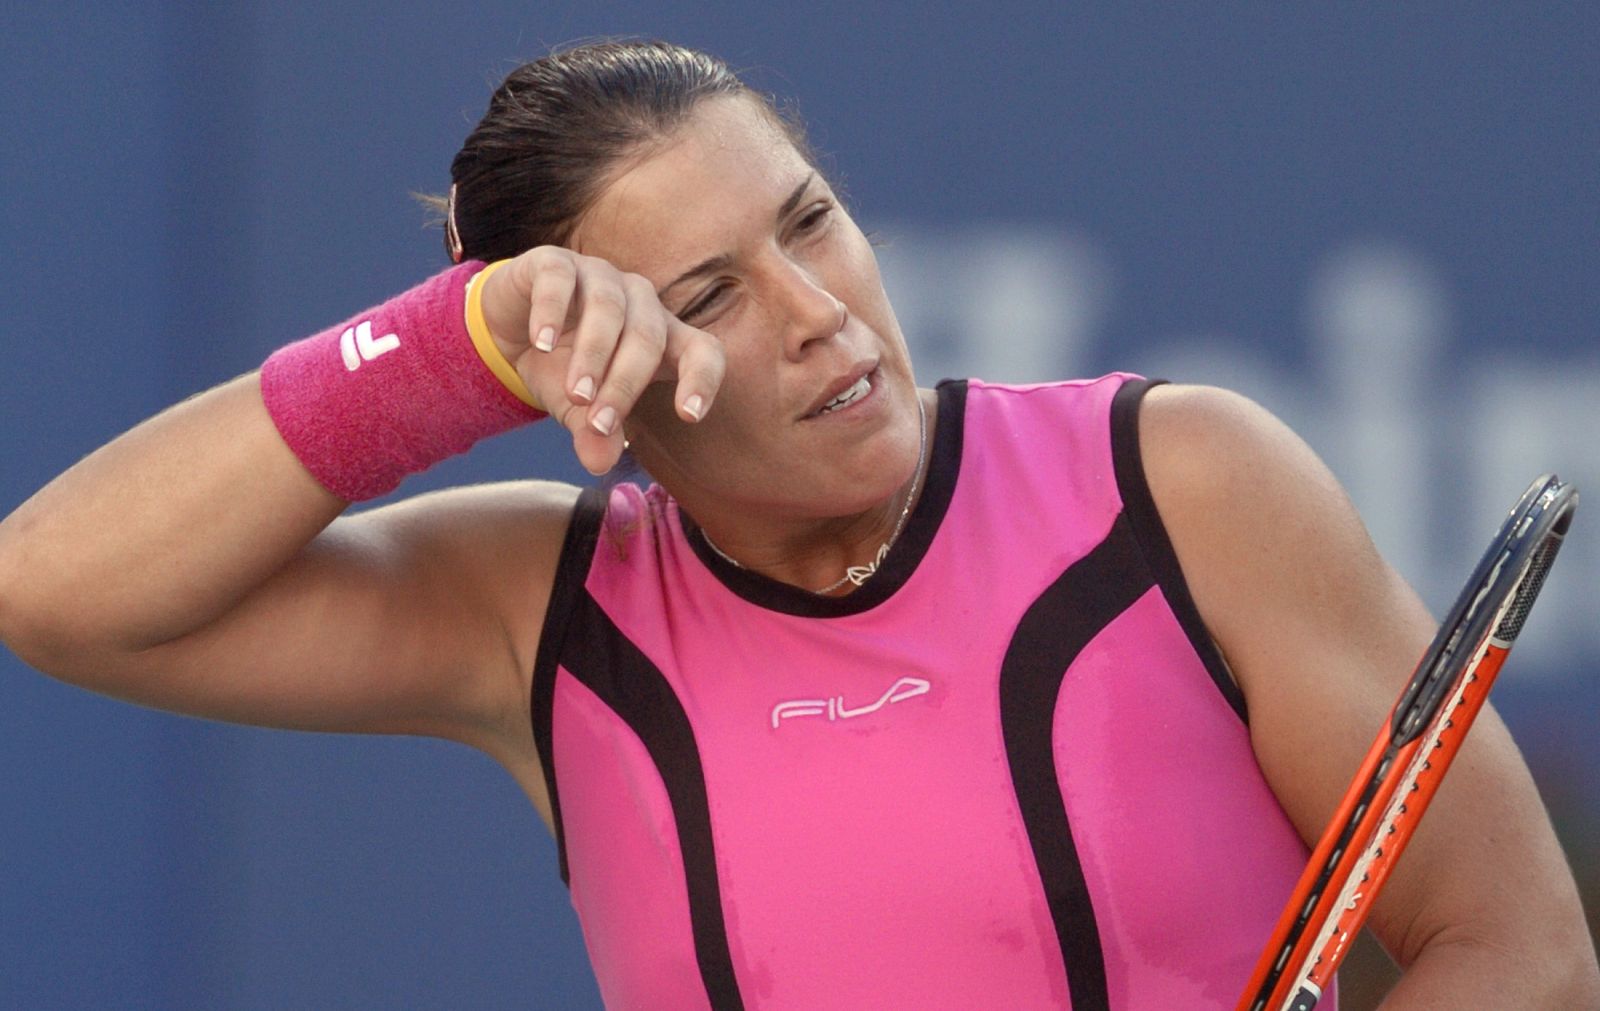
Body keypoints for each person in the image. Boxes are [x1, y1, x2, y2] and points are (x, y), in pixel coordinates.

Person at [0, 39, 1594, 1010]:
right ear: (604, 382)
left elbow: (1516, 951)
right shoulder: (542, 612)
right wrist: (452, 352)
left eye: (811, 221)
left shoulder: (1180, 481)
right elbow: (57, 591)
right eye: (708, 297)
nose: (821, 313)